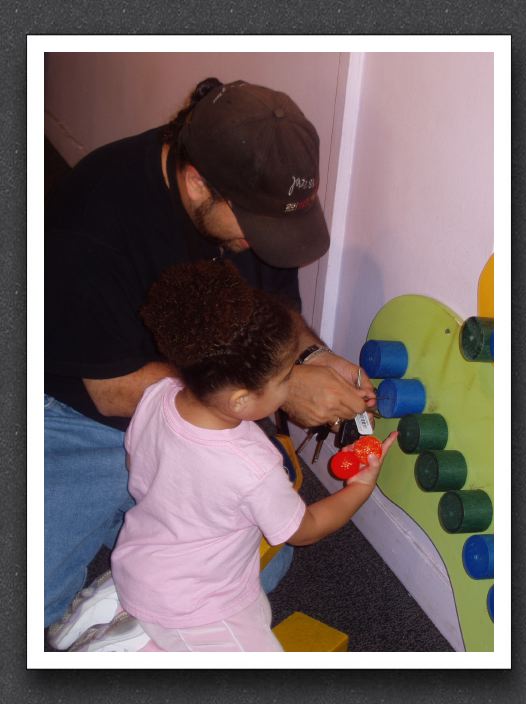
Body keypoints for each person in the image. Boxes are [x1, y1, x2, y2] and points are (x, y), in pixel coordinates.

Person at [44, 76, 376, 630]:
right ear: (197, 184)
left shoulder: (261, 206)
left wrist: (309, 356)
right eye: (257, 230)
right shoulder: (91, 219)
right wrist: (280, 385)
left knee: (262, 568)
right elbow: (112, 388)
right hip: (86, 419)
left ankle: (140, 571)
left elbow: (276, 311)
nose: (267, 243)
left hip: (211, 406)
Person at [55, 259, 397, 652]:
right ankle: (133, 645)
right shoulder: (253, 463)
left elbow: (138, 465)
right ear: (241, 400)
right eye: (285, 378)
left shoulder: (158, 395)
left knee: (241, 591)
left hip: (141, 560)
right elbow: (305, 529)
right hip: (198, 605)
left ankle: (124, 605)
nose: (292, 385)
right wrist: (360, 488)